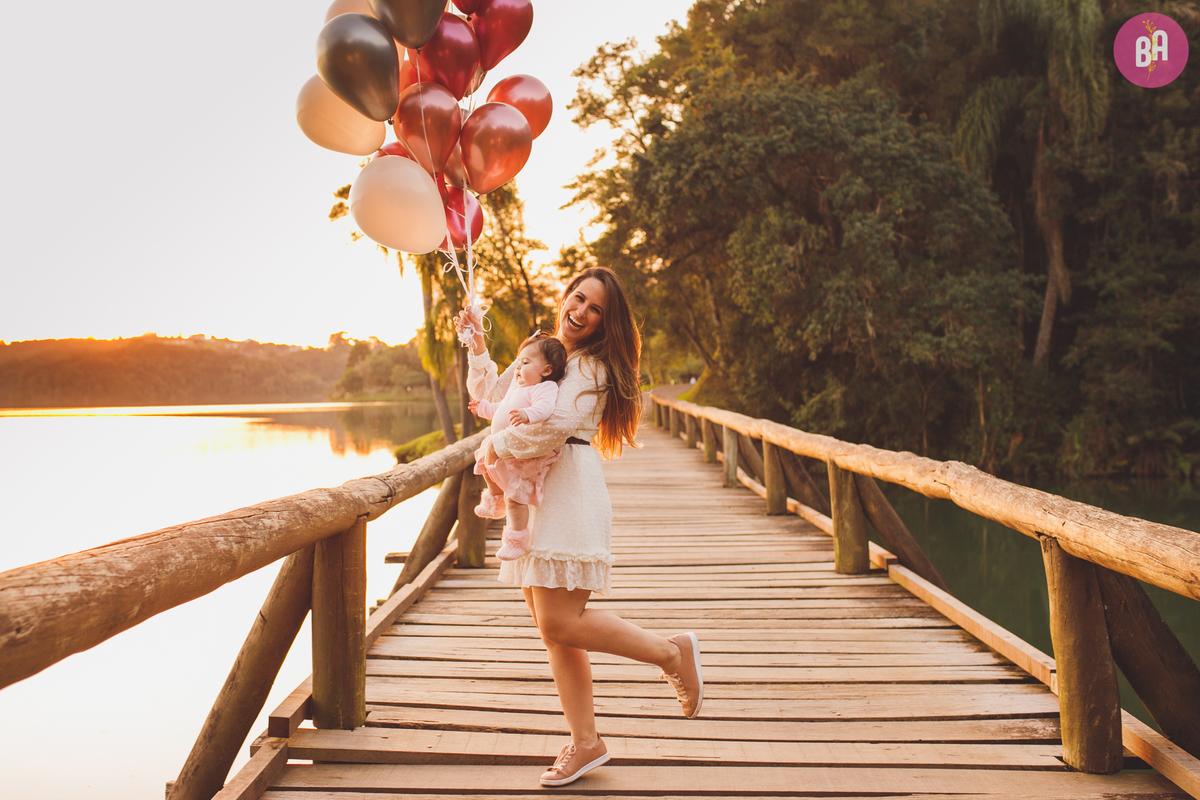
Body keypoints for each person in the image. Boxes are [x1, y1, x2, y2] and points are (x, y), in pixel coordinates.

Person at [454, 267, 703, 788]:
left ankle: (671, 653)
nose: (581, 311)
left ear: (604, 324)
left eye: (595, 309)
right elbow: (496, 403)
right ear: (564, 298)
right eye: (578, 298)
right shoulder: (544, 353)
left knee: (560, 623)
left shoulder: (591, 369)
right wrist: (477, 342)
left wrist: (497, 448)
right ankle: (586, 742)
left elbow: (555, 428)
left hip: (569, 492)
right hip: (536, 493)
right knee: (557, 634)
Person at [469, 334, 569, 561]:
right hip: (501, 448)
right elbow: (501, 409)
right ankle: (494, 500)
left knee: (516, 498)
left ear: (546, 370)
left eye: (525, 363)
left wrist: (527, 414)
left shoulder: (545, 388)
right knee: (485, 466)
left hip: (523, 455)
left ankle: (516, 540)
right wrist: (483, 408)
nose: (518, 368)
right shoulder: (519, 388)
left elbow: (544, 410)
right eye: (518, 362)